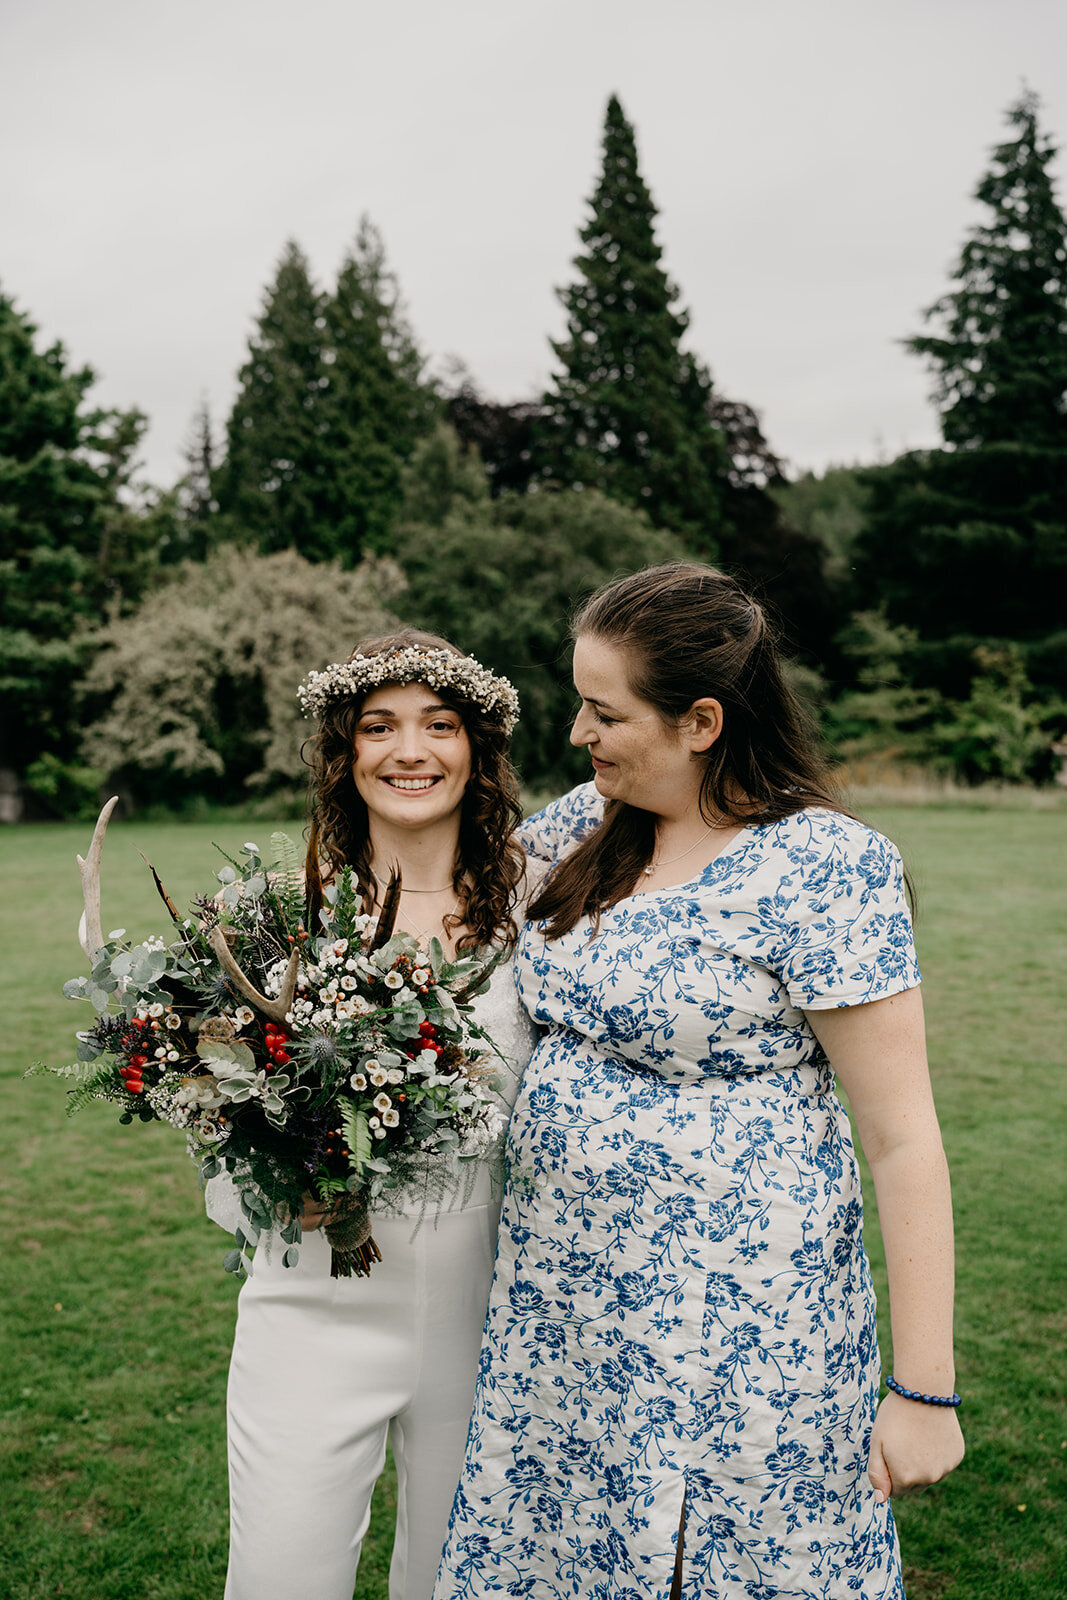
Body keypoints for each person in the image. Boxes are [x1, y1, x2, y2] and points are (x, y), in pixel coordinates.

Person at [433, 565, 964, 1600]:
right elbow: (444, 898)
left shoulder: (822, 868)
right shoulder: (582, 822)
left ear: (701, 720)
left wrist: (923, 1389)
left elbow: (902, 1138)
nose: (576, 733)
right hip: (564, 1312)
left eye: (602, 711)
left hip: (742, 1324)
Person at [206, 629, 537, 1600]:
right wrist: (275, 1180)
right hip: (311, 1305)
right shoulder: (281, 919)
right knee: (279, 1578)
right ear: (343, 752)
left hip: (487, 1312)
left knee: (457, 1583)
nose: (410, 750)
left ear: (474, 748)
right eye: (379, 726)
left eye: (439, 725)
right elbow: (220, 1115)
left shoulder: (538, 911)